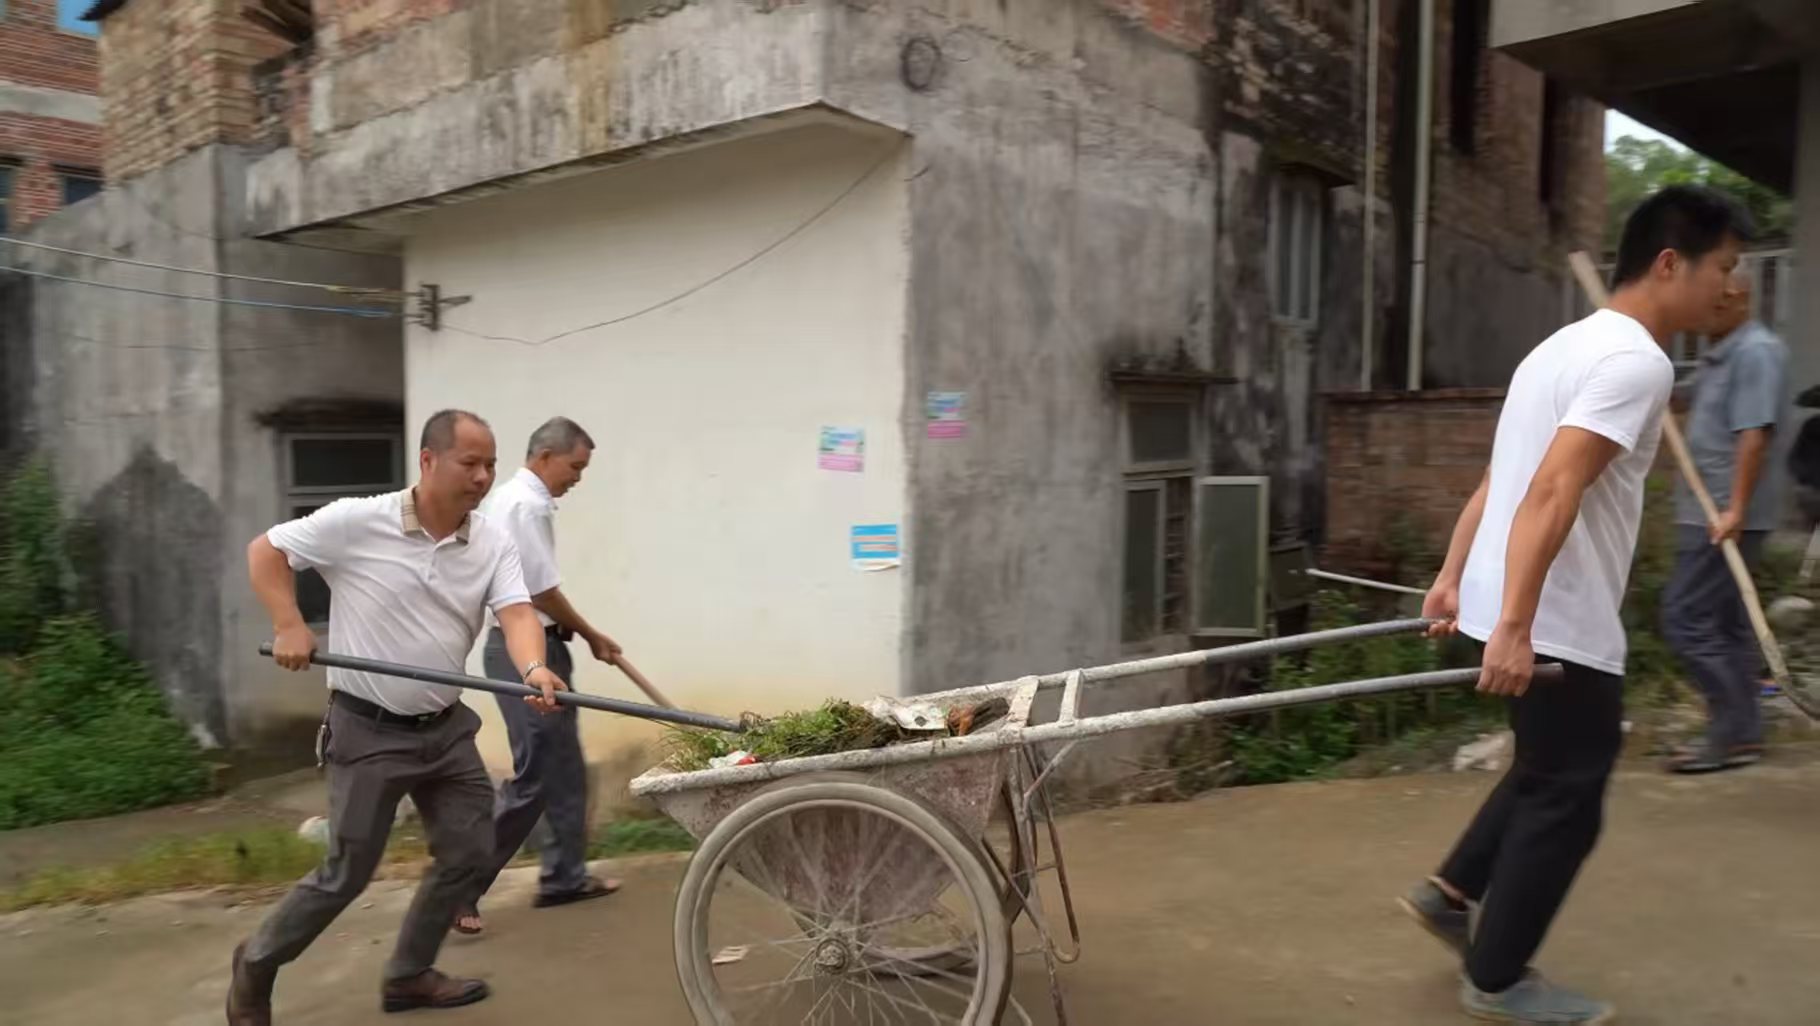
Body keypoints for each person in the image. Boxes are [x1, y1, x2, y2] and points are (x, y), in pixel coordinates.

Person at [1400, 185, 1753, 1023]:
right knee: (1571, 791)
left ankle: (1452, 892)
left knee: (1545, 762)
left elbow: (1502, 478)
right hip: (1554, 617)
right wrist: (1516, 626)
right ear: (1669, 264)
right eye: (1723, 268)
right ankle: (1497, 978)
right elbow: (1553, 488)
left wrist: (1455, 578)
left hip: (1510, 599)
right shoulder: (1638, 362)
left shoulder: (1557, 348)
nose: (1731, 288)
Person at [227, 410, 569, 1025]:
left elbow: (517, 612)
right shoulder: (358, 520)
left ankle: (409, 975)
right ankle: (255, 964)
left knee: (469, 850)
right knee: (347, 873)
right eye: (470, 463)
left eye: (490, 465)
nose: (483, 477)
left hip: (445, 728)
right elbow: (266, 551)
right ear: (428, 460)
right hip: (367, 731)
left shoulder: (491, 540)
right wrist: (289, 623)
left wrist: (534, 668)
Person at [455, 417, 624, 936]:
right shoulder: (522, 506)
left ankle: (564, 877)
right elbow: (540, 592)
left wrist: (578, 636)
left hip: (544, 647)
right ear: (546, 456)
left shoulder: (520, 502)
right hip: (524, 653)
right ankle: (459, 887)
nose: (577, 478)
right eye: (575, 466)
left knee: (565, 768)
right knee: (537, 774)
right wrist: (592, 634)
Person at [1661, 271, 1789, 772]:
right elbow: (1681, 395)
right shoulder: (1721, 354)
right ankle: (1744, 734)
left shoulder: (1756, 352)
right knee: (1726, 625)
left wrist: (1734, 508)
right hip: (1711, 512)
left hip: (1720, 516)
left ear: (1735, 298)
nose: (1701, 312)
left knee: (1685, 617)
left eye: (1711, 302)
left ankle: (1729, 731)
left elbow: (1754, 436)